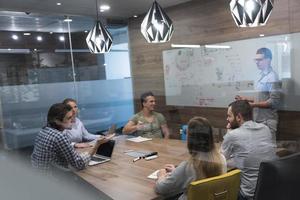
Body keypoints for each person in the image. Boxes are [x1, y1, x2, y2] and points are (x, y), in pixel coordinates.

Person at [155, 117, 227, 200]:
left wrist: (161, 175)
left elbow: (161, 188)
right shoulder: (221, 158)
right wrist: (176, 172)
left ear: (190, 139)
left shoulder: (188, 166)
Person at [221, 100, 277, 200]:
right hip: (269, 192)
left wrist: (228, 132)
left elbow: (220, 160)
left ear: (238, 117)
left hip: (248, 196)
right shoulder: (265, 129)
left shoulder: (233, 135)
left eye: (229, 116)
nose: (227, 119)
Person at [31, 103, 112, 171]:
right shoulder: (59, 136)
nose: (72, 120)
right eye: (69, 118)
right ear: (57, 120)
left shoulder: (43, 131)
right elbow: (79, 164)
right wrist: (96, 145)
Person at [235, 47, 281, 142]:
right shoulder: (260, 76)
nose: (257, 62)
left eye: (260, 60)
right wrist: (246, 99)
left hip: (267, 122)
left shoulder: (273, 77)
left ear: (268, 60)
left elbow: (274, 101)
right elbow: (260, 98)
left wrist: (253, 105)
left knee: (268, 151)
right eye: (256, 60)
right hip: (258, 121)